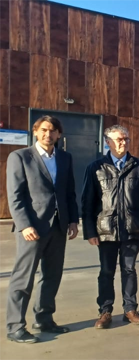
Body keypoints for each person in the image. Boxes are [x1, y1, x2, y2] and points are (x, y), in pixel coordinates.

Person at [6, 116, 79, 344]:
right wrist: (24, 224)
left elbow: (69, 192)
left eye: (54, 131)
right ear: (36, 131)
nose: (49, 134)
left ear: (59, 135)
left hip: (58, 227)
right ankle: (15, 326)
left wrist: (73, 220)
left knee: (52, 276)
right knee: (23, 278)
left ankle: (44, 319)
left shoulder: (65, 158)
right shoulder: (20, 157)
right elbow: (15, 196)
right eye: (44, 130)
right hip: (33, 228)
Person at [81, 125, 139, 328]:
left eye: (125, 139)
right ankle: (105, 311)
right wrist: (89, 231)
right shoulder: (96, 167)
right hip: (105, 229)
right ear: (107, 142)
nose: (123, 143)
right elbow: (87, 202)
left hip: (133, 228)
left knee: (129, 269)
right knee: (106, 271)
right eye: (118, 139)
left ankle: (130, 309)